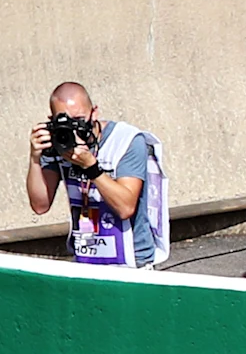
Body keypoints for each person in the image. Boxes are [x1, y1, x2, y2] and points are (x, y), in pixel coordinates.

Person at [21, 81, 170, 269]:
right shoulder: (57, 143)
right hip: (87, 259)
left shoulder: (126, 141)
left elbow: (126, 207)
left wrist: (91, 167)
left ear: (94, 113)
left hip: (132, 261)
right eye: (66, 122)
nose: (74, 129)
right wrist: (35, 158)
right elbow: (40, 205)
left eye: (79, 119)